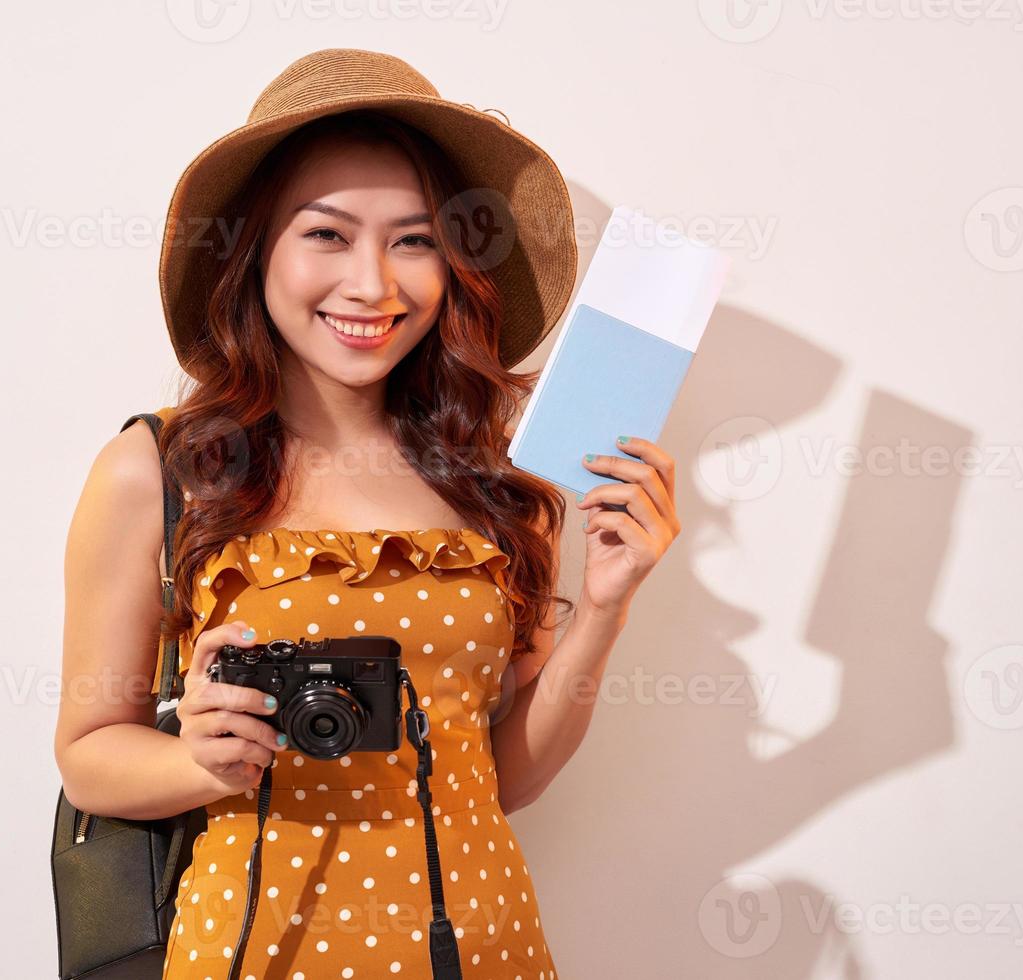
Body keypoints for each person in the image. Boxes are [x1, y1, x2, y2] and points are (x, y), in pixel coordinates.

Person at [53, 48, 681, 979]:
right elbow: (88, 753)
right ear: (255, 250)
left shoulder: (498, 483)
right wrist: (202, 761)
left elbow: (504, 778)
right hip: (252, 952)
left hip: (484, 947)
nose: (372, 285)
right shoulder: (159, 469)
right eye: (326, 235)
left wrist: (605, 611)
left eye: (414, 240)